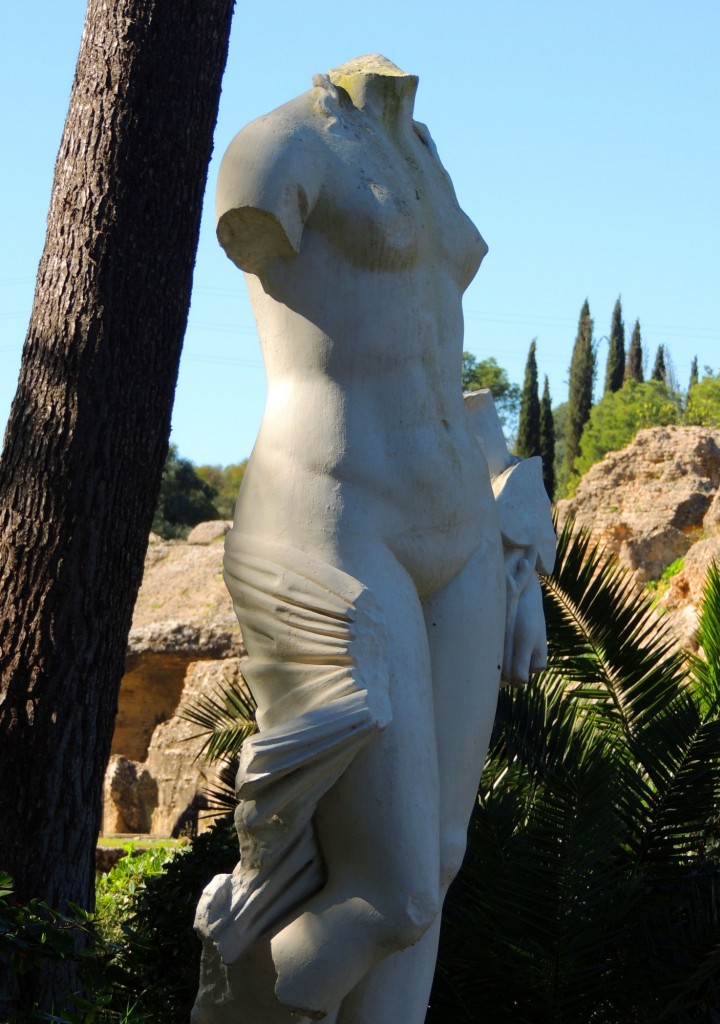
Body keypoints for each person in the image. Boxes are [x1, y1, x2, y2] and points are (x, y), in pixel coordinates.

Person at [193, 54, 555, 1024]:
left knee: (433, 866)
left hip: (460, 530)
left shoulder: (426, 155)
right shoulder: (282, 147)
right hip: (333, 513)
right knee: (387, 891)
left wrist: (521, 534)